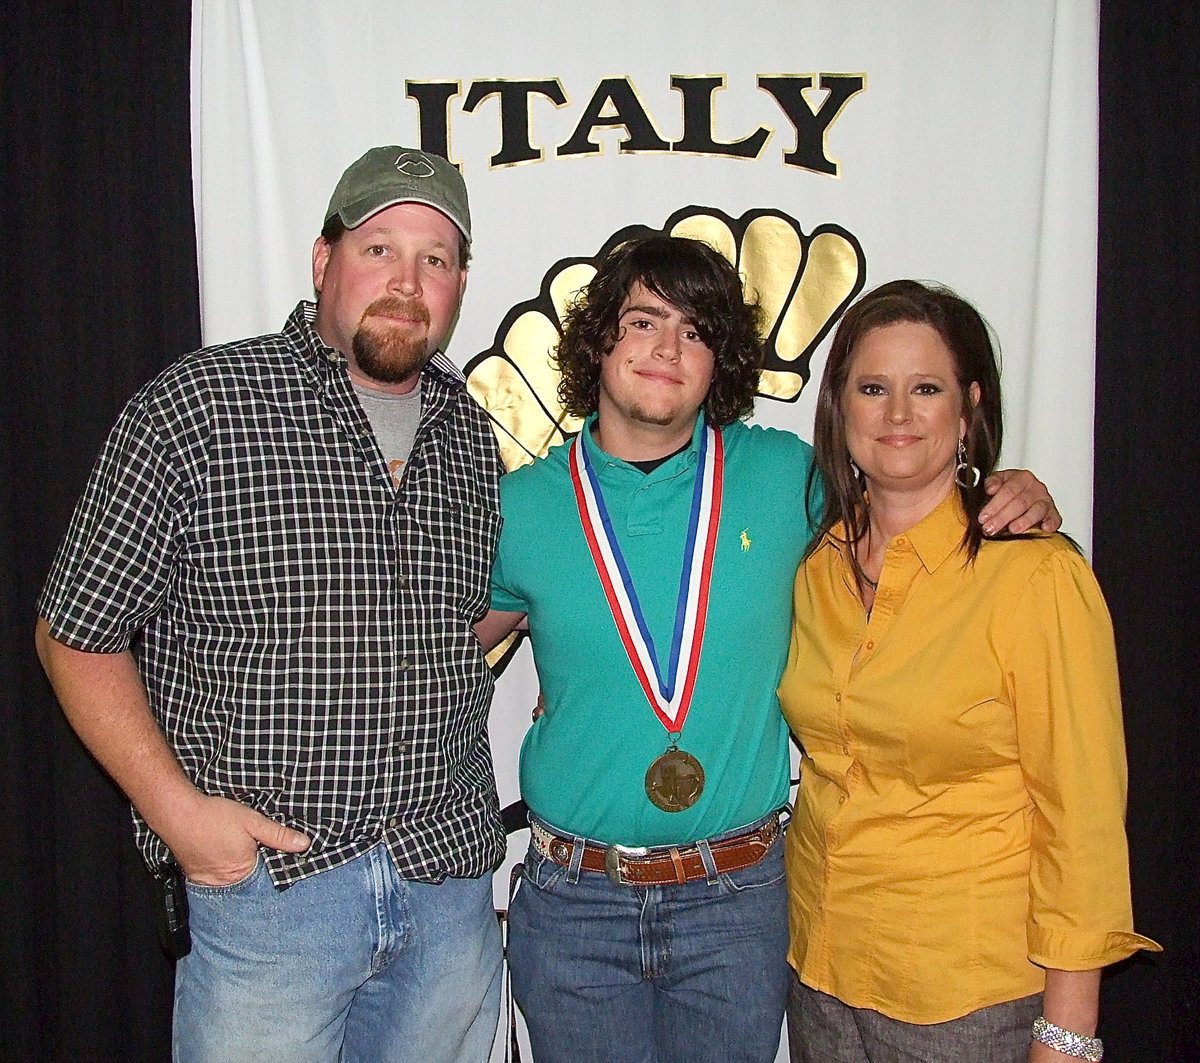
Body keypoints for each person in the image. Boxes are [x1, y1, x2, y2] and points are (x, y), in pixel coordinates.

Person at [475, 237, 1061, 1063]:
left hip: (736, 899)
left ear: (723, 361)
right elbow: (434, 657)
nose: (667, 348)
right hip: (576, 904)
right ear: (598, 339)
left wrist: (1009, 487)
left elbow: (913, 500)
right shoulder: (521, 505)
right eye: (643, 320)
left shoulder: (790, 477)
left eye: (695, 329)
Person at [36, 147, 505, 1063]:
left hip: (447, 887)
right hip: (271, 899)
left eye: (436, 260)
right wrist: (183, 819)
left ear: (458, 287)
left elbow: (468, 620)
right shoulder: (198, 407)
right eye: (379, 250)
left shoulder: (474, 439)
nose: (408, 284)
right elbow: (74, 633)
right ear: (323, 262)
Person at [778, 280, 1159, 1063]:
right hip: (820, 976)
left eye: (927, 388)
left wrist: (1067, 1035)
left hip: (969, 1001)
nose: (897, 415)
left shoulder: (1034, 576)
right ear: (839, 405)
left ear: (968, 407)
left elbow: (1081, 824)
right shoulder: (816, 564)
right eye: (872, 387)